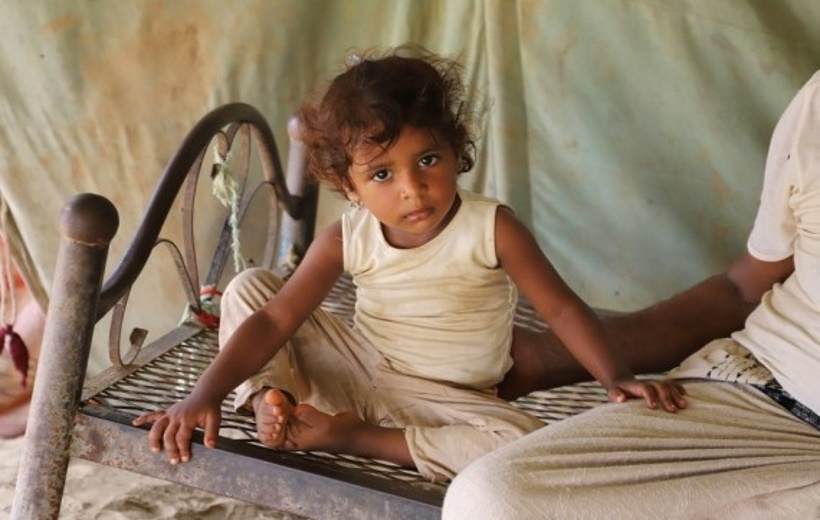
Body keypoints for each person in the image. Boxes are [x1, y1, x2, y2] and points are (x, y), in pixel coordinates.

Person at [133, 46, 685, 483]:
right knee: (252, 288)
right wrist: (202, 395)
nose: (412, 189)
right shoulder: (345, 238)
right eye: (382, 174)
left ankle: (351, 437)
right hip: (354, 372)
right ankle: (269, 400)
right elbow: (276, 321)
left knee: (527, 448)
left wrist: (616, 378)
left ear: (456, 151)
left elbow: (561, 310)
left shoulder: (493, 228)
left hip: (444, 402)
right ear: (349, 185)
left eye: (427, 160)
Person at [442, 70, 820, 518]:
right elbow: (743, 289)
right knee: (490, 500)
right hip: (759, 397)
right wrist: (547, 358)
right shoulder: (816, 108)